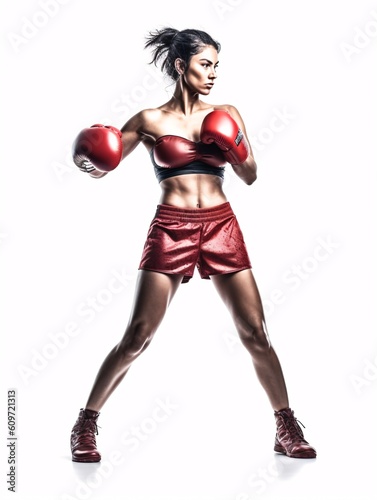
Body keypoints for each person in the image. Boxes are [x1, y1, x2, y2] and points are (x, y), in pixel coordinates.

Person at [70, 27, 316, 463]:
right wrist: (87, 157)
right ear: (182, 66)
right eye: (206, 64)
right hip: (171, 226)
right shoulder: (149, 120)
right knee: (138, 336)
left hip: (221, 224)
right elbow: (103, 164)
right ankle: (85, 425)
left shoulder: (226, 112)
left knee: (255, 331)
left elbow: (251, 174)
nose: (213, 73)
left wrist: (234, 144)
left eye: (217, 65)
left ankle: (285, 425)